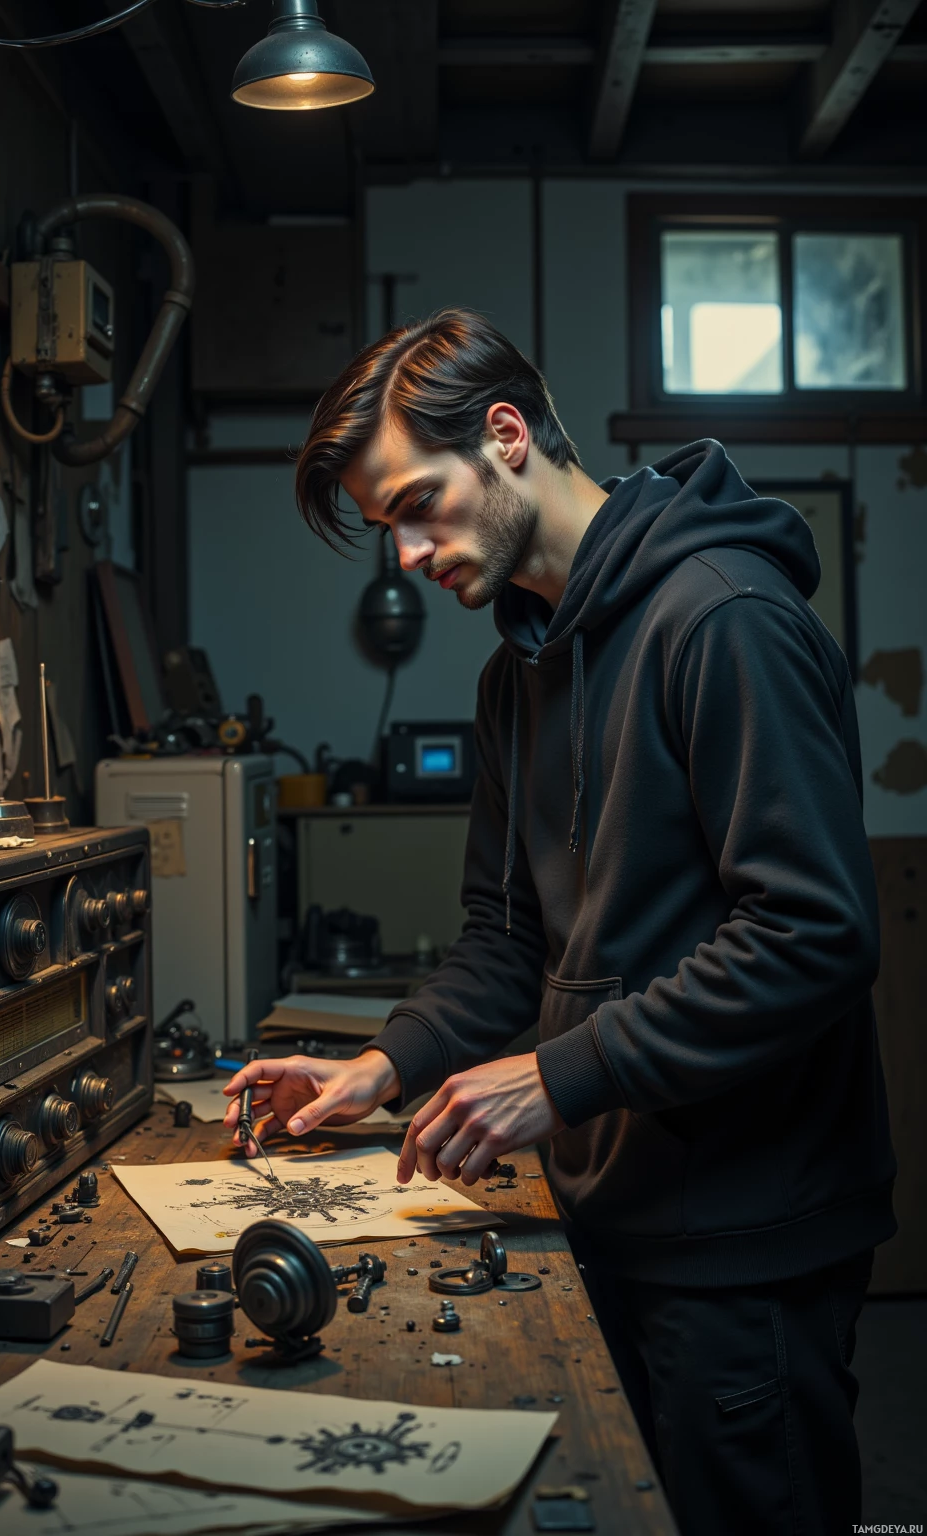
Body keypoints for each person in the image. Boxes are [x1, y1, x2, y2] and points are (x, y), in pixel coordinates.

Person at [223, 308, 896, 1535]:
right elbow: (507, 942)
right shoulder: (511, 677)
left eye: (419, 506)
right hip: (606, 1207)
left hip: (745, 1236)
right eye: (388, 533)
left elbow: (814, 937)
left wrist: (552, 1075)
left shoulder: (723, 618)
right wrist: (382, 1067)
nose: (411, 558)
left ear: (504, 434)